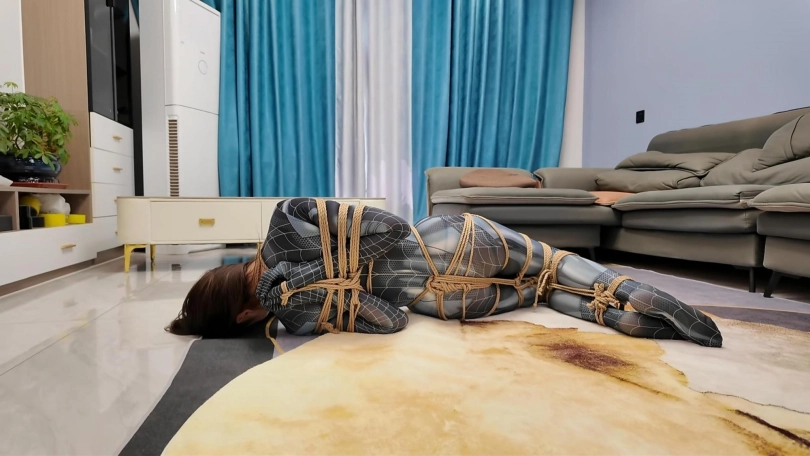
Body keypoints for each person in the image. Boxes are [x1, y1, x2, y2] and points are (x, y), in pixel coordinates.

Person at [168, 198, 722, 347]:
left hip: (445, 303)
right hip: (450, 242)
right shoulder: (285, 217)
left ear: (241, 316)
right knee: (552, 266)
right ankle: (626, 291)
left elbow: (392, 320)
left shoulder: (296, 318)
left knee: (544, 295)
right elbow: (391, 228)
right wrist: (310, 279)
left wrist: (312, 284)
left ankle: (614, 314)